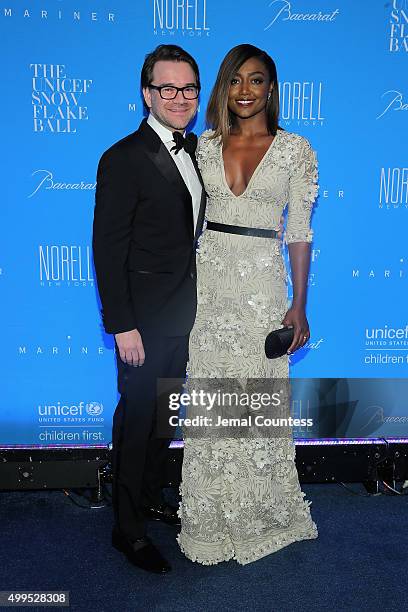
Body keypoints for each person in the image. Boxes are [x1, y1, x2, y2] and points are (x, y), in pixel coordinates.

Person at [177, 44, 319, 565]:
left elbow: (299, 232)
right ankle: (211, 520)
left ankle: (263, 513)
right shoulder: (202, 146)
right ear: (223, 87)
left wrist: (299, 304)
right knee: (213, 403)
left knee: (257, 405)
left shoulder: (296, 150)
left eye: (256, 80)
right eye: (235, 80)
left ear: (271, 88)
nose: (244, 91)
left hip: (262, 286)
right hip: (208, 288)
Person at [92, 44, 206, 574]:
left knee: (164, 418)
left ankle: (153, 497)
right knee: (137, 423)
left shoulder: (200, 150)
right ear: (147, 94)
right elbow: (108, 248)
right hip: (141, 323)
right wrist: (122, 326)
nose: (179, 98)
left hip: (186, 316)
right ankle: (128, 530)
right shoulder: (122, 158)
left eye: (188, 88)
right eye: (168, 88)